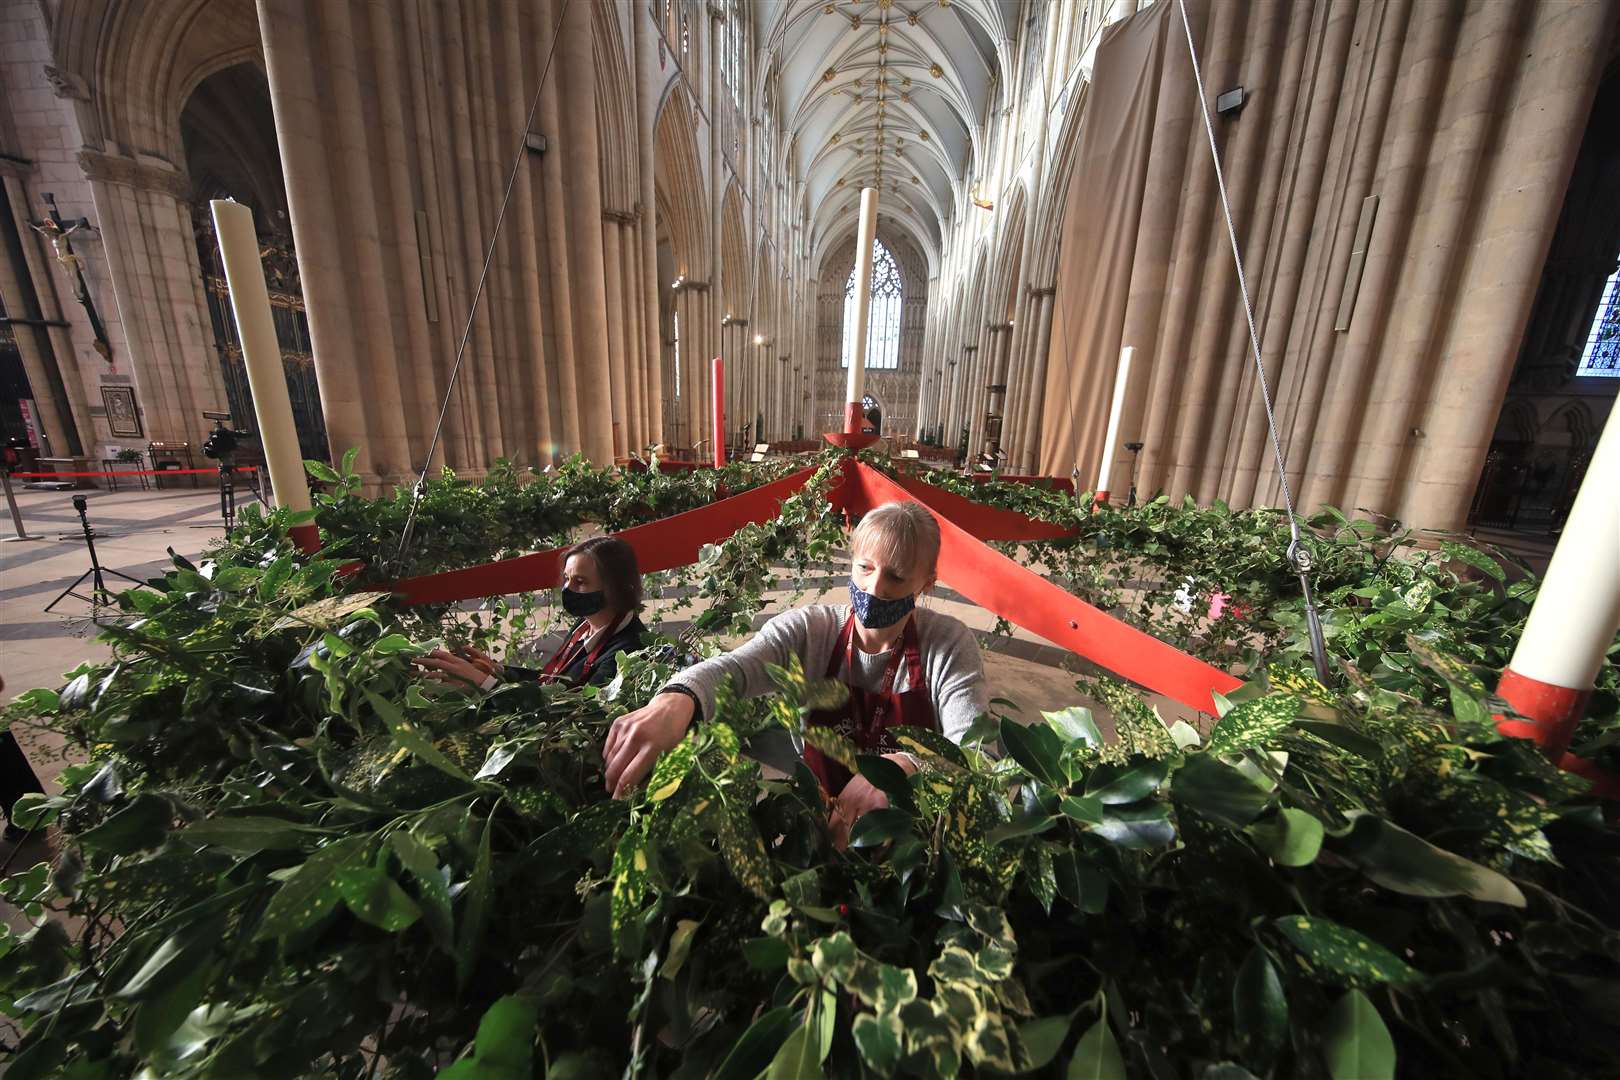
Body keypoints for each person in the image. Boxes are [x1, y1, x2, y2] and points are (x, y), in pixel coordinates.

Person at [603, 501, 987, 848]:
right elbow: (737, 669)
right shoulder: (811, 631)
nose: (875, 588)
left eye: (897, 577)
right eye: (865, 568)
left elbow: (978, 756)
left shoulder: (948, 644)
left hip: (911, 845)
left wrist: (906, 765)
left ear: (927, 583)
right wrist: (677, 697)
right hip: (817, 833)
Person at [414, 536, 649, 691]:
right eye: (566, 579)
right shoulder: (586, 625)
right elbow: (553, 683)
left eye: (580, 581)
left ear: (615, 586)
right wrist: (500, 671)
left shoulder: (629, 651)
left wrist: (484, 684)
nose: (567, 589)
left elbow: (570, 711)